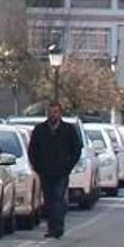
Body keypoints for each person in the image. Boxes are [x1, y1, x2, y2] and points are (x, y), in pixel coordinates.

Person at [26, 101, 82, 239]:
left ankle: (58, 226)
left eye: (56, 112)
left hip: (61, 171)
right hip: (45, 171)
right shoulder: (40, 130)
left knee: (58, 197)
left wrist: (68, 166)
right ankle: (52, 227)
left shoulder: (68, 129)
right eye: (50, 112)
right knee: (49, 199)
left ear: (60, 113)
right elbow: (32, 149)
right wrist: (37, 166)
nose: (53, 115)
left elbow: (77, 149)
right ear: (47, 113)